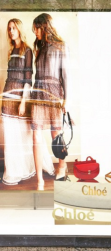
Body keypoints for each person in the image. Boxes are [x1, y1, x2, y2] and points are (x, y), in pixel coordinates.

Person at [1, 18, 54, 186]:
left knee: (27, 135)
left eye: (14, 28)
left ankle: (37, 167)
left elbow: (27, 78)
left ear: (19, 30)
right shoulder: (11, 51)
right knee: (11, 138)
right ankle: (14, 171)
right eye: (9, 29)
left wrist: (24, 101)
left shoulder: (27, 50)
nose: (11, 31)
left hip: (20, 98)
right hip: (8, 98)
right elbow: (9, 77)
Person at [31, 13, 70, 188]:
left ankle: (62, 166)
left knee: (56, 135)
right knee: (36, 135)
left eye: (36, 28)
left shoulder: (61, 46)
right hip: (38, 94)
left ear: (44, 26)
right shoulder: (38, 48)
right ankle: (39, 180)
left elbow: (65, 75)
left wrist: (66, 99)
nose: (35, 32)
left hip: (55, 93)